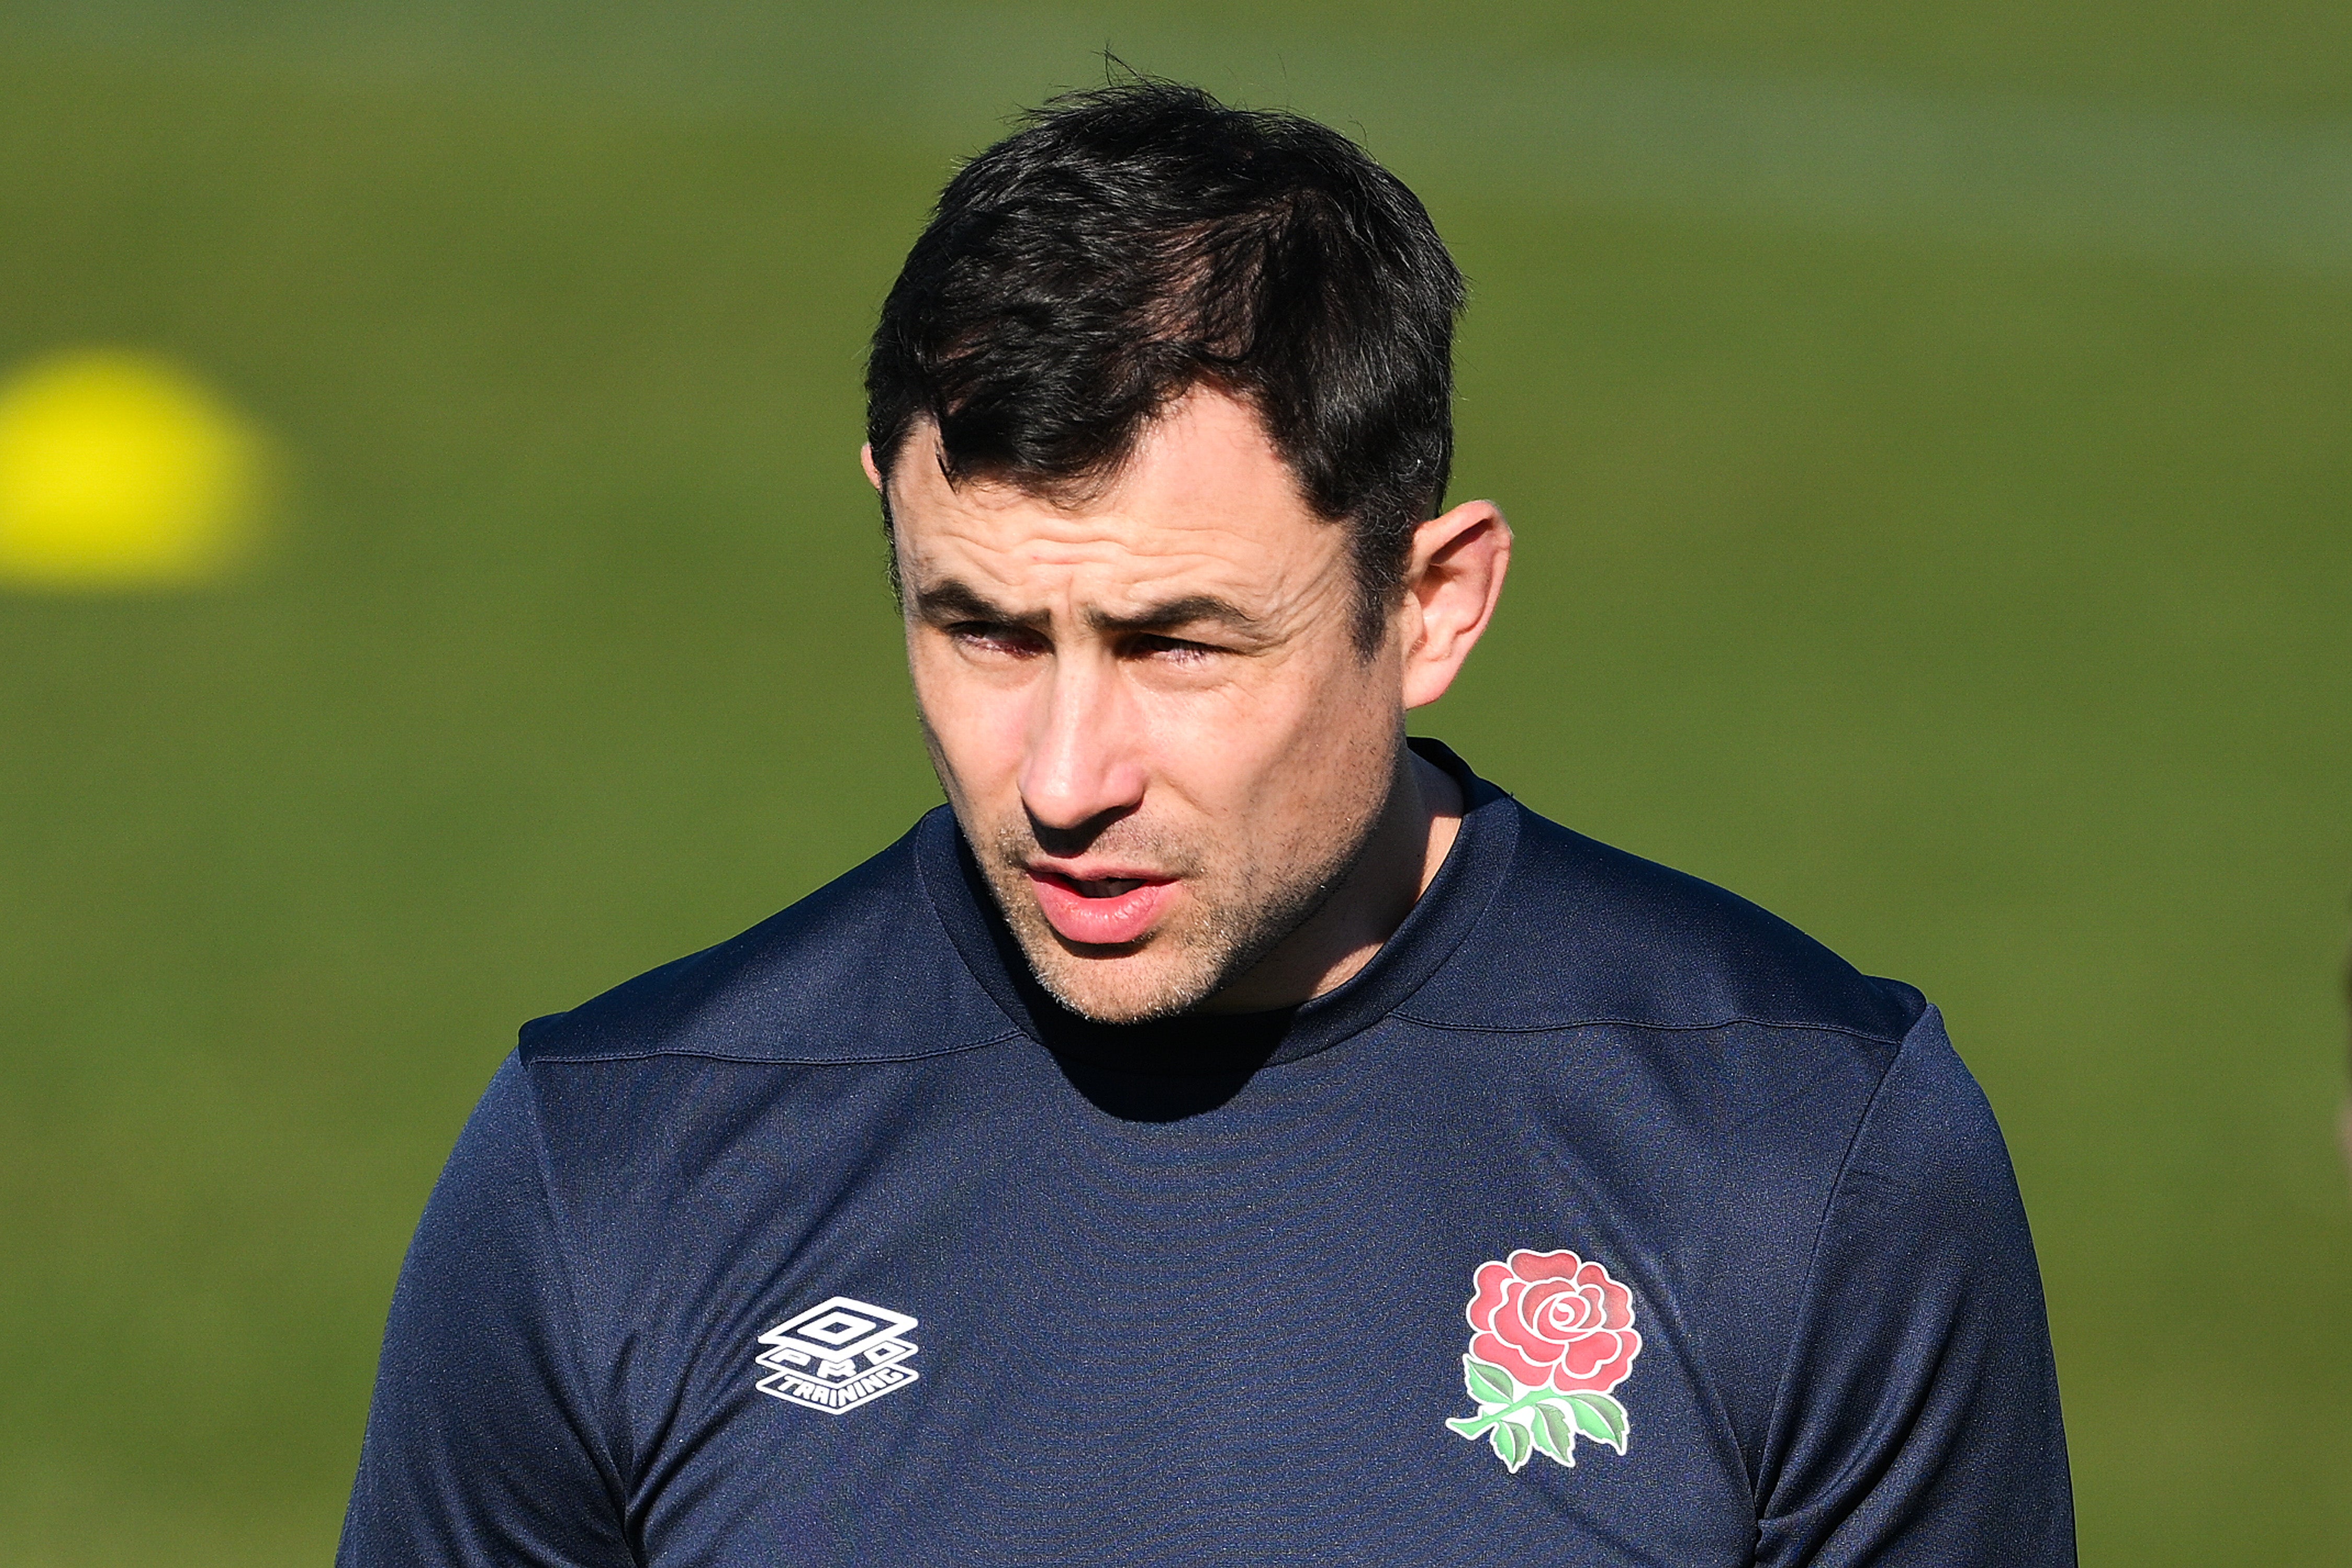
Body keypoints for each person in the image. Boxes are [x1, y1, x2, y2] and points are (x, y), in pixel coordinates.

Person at [338, 80, 2073, 1566]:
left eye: (1176, 644)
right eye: (982, 628)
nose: (1064, 776)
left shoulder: (1802, 1154)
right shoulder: (618, 1166)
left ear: (1435, 602)